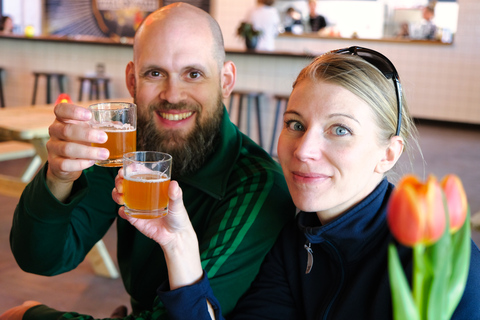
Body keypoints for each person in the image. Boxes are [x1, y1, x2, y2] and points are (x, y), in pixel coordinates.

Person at [110, 46, 480, 319]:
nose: (304, 151)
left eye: (339, 130)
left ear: (388, 154)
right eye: (295, 124)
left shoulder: (436, 255)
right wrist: (179, 247)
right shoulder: (295, 239)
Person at [4, 2, 294, 320]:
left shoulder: (256, 184)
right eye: (155, 73)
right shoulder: (126, 151)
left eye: (194, 74)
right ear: (132, 81)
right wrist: (58, 177)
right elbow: (41, 259)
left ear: (225, 81)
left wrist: (31, 316)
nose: (172, 94)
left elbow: (186, 315)